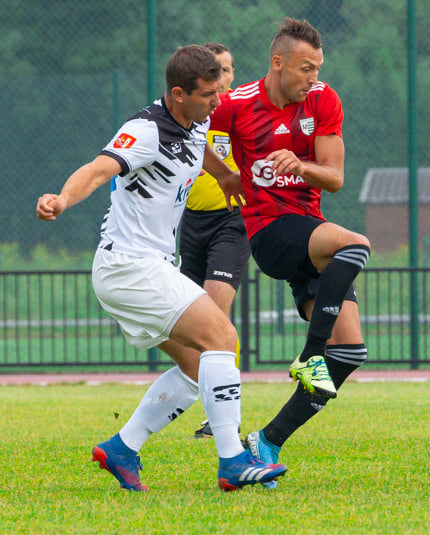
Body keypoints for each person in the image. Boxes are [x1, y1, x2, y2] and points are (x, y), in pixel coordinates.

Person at [35, 44, 286, 492]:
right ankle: (232, 460)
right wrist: (61, 199)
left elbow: (198, 144)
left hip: (141, 269)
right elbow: (98, 169)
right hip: (129, 268)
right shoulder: (146, 130)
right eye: (208, 93)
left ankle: (121, 448)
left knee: (196, 368)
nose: (217, 100)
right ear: (177, 93)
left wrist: (224, 176)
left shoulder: (196, 118)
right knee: (223, 337)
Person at [209, 17, 370, 488]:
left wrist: (300, 164)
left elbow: (335, 178)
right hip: (269, 232)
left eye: (317, 68)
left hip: (311, 232)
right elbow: (196, 140)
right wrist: (224, 175)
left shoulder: (323, 100)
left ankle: (267, 441)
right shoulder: (236, 105)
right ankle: (310, 353)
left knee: (351, 352)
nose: (312, 78)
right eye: (304, 69)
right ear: (278, 63)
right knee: (356, 244)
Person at [177, 42, 250, 439]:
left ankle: (226, 417)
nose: (223, 77)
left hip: (231, 222)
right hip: (191, 224)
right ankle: (212, 405)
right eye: (216, 71)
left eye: (228, 69)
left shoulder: (237, 111)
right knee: (186, 324)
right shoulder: (189, 115)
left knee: (215, 314)